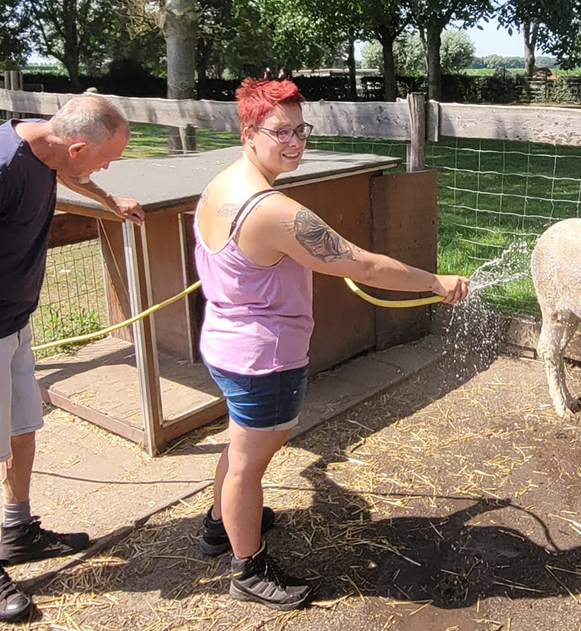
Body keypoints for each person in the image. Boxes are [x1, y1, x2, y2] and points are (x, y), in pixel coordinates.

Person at [192, 77, 468, 609]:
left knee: (241, 446)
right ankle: (247, 569)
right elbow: (360, 263)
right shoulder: (271, 209)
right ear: (248, 131)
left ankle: (219, 525)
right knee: (251, 462)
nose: (294, 142)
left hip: (227, 344)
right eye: (281, 132)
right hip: (263, 357)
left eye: (301, 130)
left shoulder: (220, 185)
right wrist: (435, 283)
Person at [0, 93, 141, 621]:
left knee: (23, 425)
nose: (105, 165)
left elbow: (72, 173)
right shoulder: (0, 168)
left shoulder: (49, 144)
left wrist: (109, 200)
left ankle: (18, 529)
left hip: (12, 320)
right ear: (78, 144)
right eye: (105, 157)